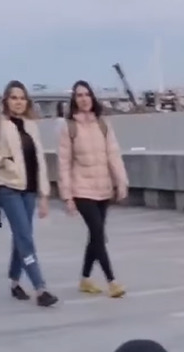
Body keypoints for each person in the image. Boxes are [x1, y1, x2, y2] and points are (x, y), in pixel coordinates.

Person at [58, 80, 128, 297]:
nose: (84, 99)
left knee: (95, 236)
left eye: (87, 94)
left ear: (92, 98)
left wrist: (121, 182)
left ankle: (85, 279)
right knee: (99, 234)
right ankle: (112, 281)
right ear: (74, 100)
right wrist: (67, 196)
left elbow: (113, 155)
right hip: (82, 189)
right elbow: (64, 164)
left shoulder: (103, 125)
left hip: (103, 188)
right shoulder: (68, 127)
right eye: (79, 95)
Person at [0, 80, 58, 306]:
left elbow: (40, 161)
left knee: (21, 237)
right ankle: (40, 288)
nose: (18, 102)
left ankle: (15, 281)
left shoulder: (31, 126)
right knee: (25, 236)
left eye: (22, 98)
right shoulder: (2, 125)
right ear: (6, 100)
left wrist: (44, 194)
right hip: (9, 188)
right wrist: (9, 164)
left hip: (30, 190)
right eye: (14, 98)